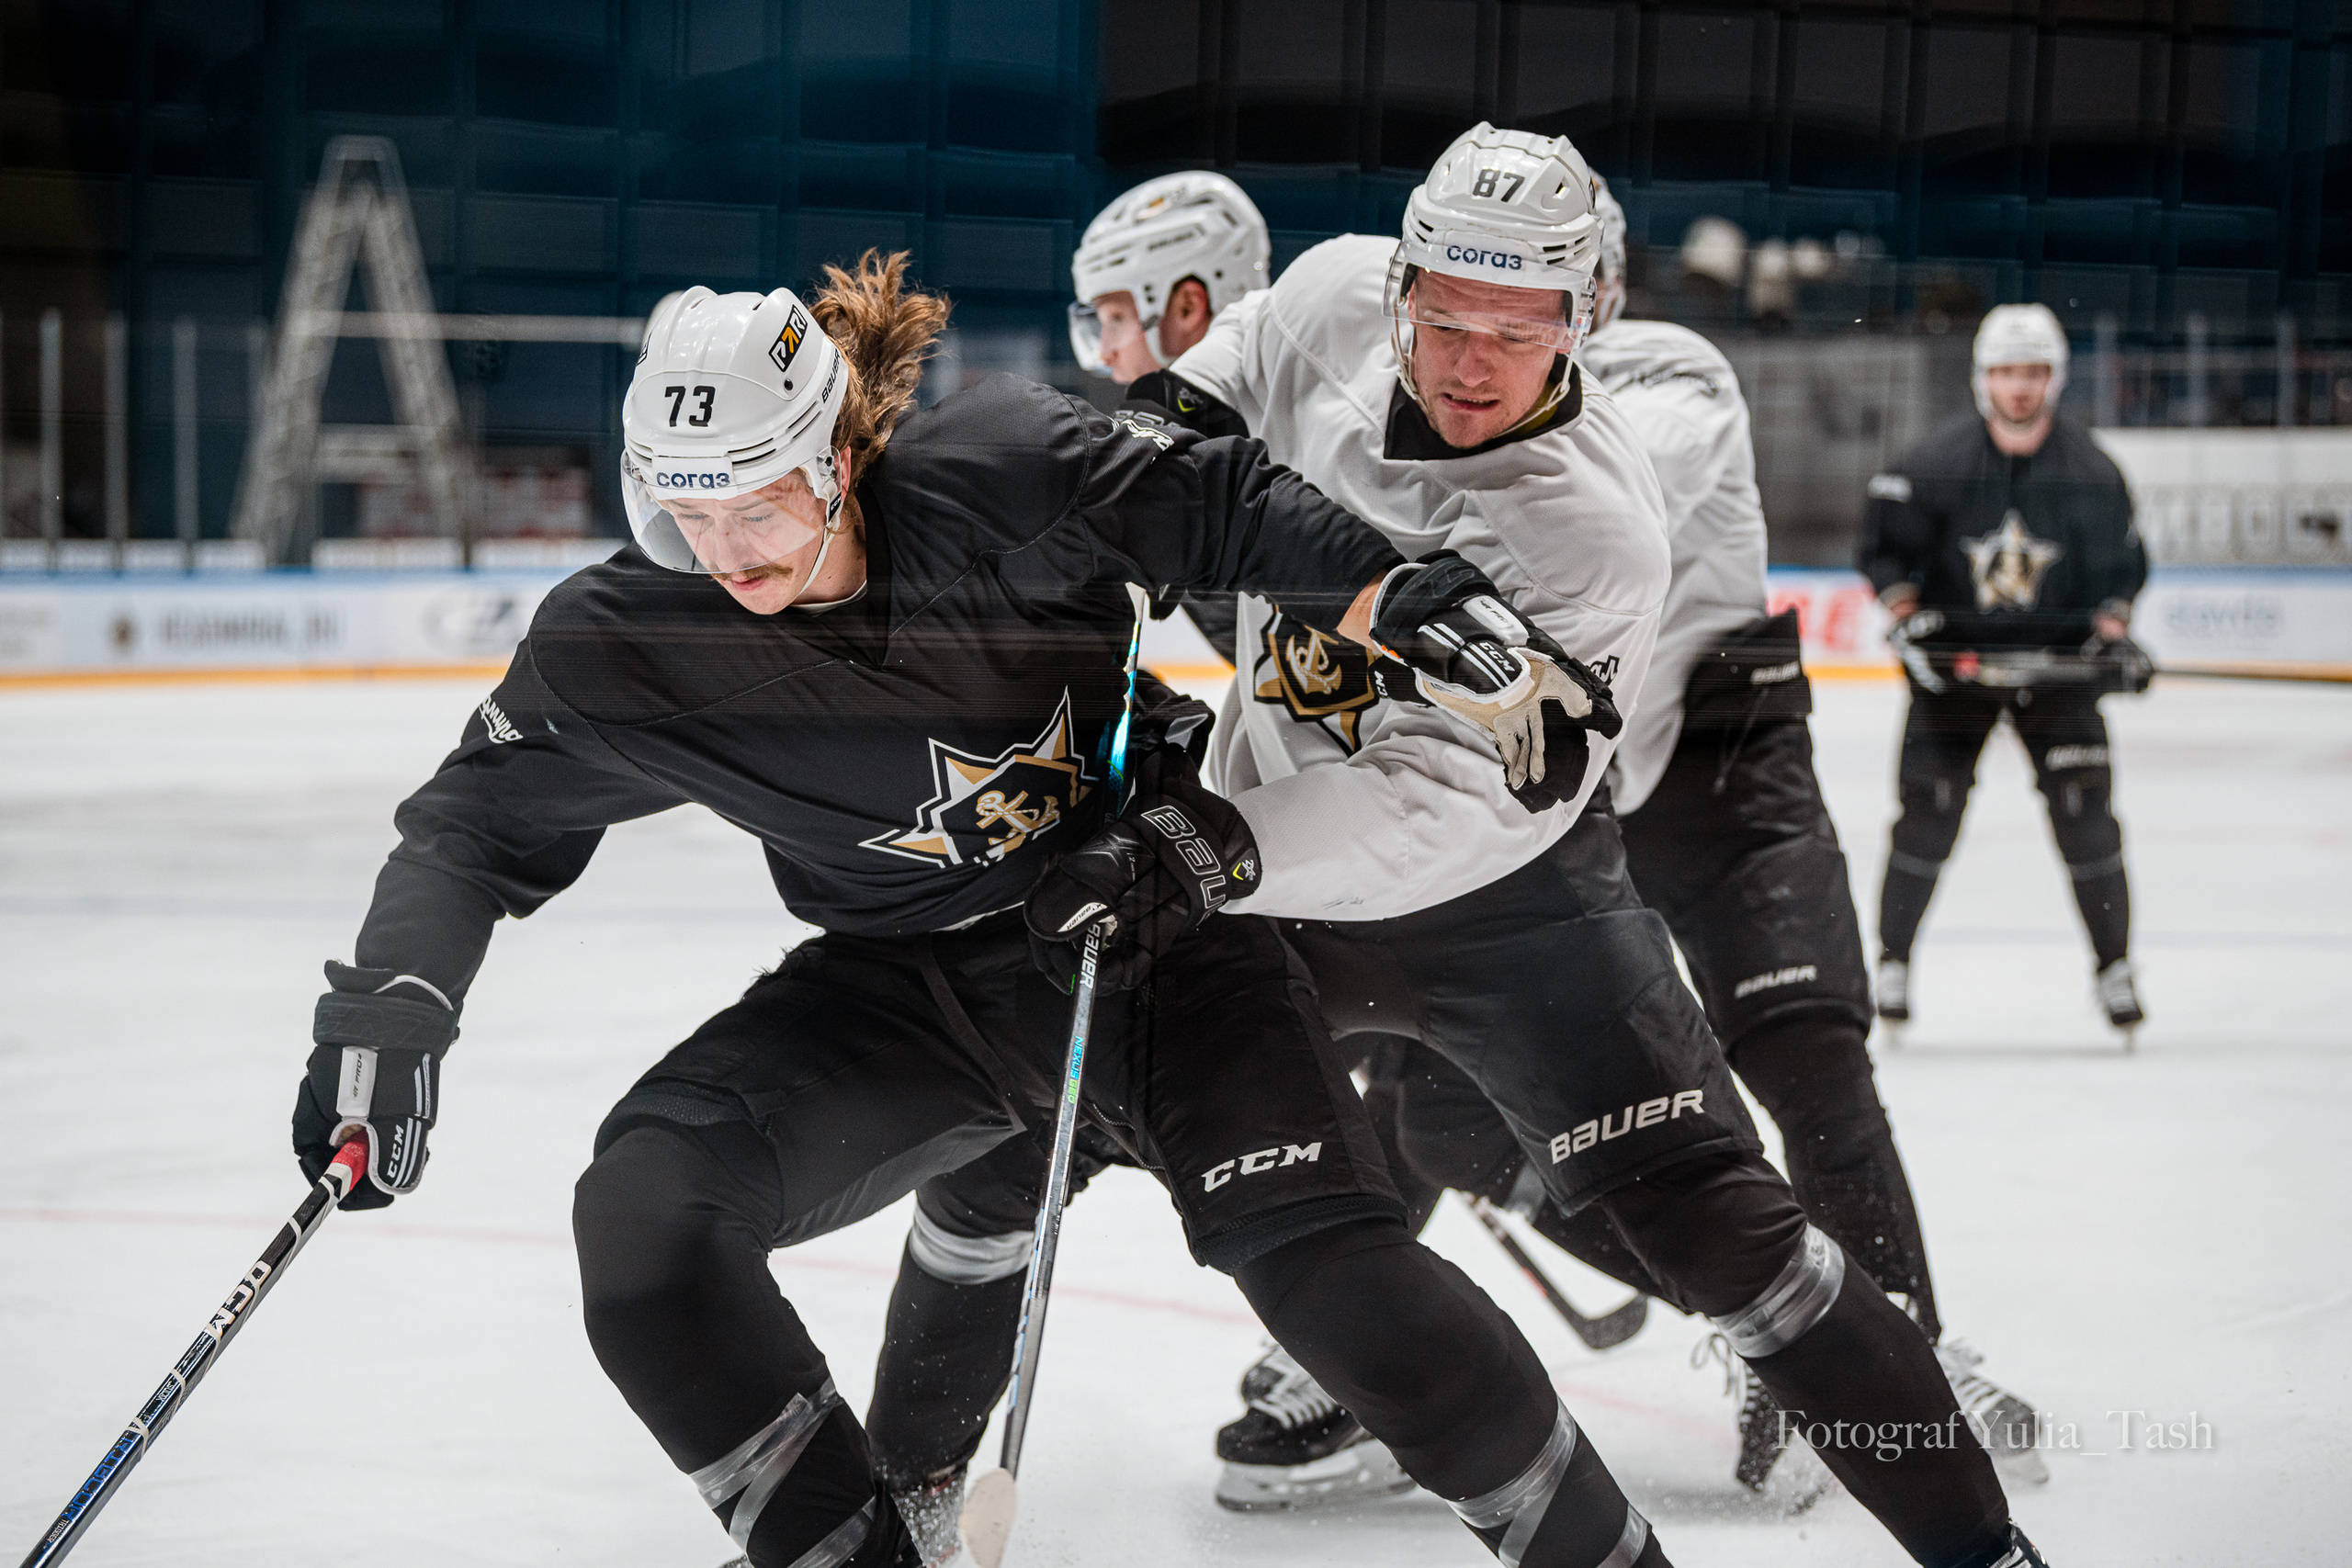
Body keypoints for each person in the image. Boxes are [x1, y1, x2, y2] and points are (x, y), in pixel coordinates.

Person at [287, 252, 1657, 1568]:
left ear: (837, 454)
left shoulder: (1007, 470)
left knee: (1329, 1277)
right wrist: (393, 1002)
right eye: (684, 515)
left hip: (1148, 929)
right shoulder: (632, 640)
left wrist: (1412, 598)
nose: (727, 553)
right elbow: (471, 824)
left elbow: (1226, 504)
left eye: (756, 504)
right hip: (905, 985)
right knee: (645, 1219)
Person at [863, 129, 2045, 1568]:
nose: (1472, 360)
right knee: (1010, 1122)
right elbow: (1219, 382)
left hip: (1509, 902)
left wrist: (1200, 837)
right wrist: (1149, 440)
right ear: (1403, 279)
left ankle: (1982, 1542)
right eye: (1444, 319)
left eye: (1518, 329)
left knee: (1731, 1234)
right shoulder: (1334, 292)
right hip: (1263, 853)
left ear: (1582, 319)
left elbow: (1430, 803)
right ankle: (897, 1501)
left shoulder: (1598, 533)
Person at [1220, 172, 2041, 1502]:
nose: (1502, 336)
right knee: (1431, 1106)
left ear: (1587, 296)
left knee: (1806, 1047)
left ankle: (1898, 1361)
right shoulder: (1415, 387)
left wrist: (1311, 487)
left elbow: (1566, 482)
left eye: (1546, 300)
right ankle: (1389, 1362)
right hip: (1559, 810)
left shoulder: (1667, 381)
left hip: (1720, 771)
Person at [1858, 303, 2152, 1036]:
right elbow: (1884, 550)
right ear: (1981, 378)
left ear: (2055, 379)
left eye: (2032, 372)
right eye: (2004, 372)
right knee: (1926, 814)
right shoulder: (1929, 464)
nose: (2018, 388)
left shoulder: (2093, 472)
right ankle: (1891, 961)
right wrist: (1907, 616)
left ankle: (2114, 967)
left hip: (2058, 677)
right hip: (1957, 673)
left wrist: (2112, 631)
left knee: (2088, 820)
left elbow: (2121, 565)